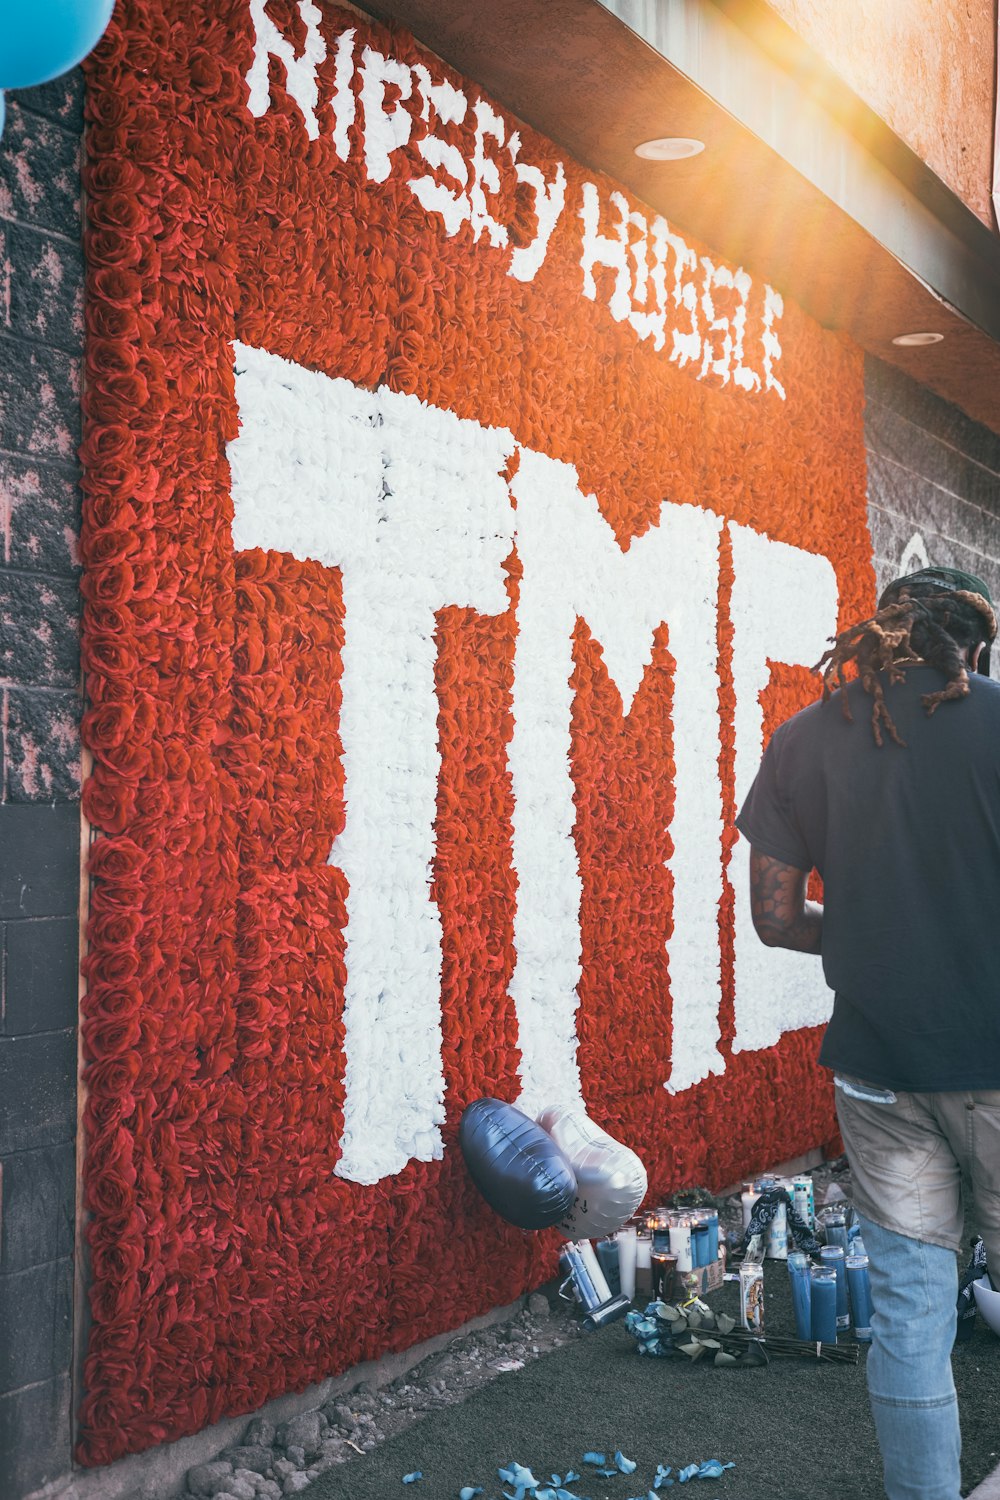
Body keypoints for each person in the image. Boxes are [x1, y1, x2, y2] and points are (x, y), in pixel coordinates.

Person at [735, 566, 1000, 1500]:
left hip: (879, 1072)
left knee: (912, 1319)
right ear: (973, 645)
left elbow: (775, 916)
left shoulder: (807, 738)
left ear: (878, 636)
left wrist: (857, 931)